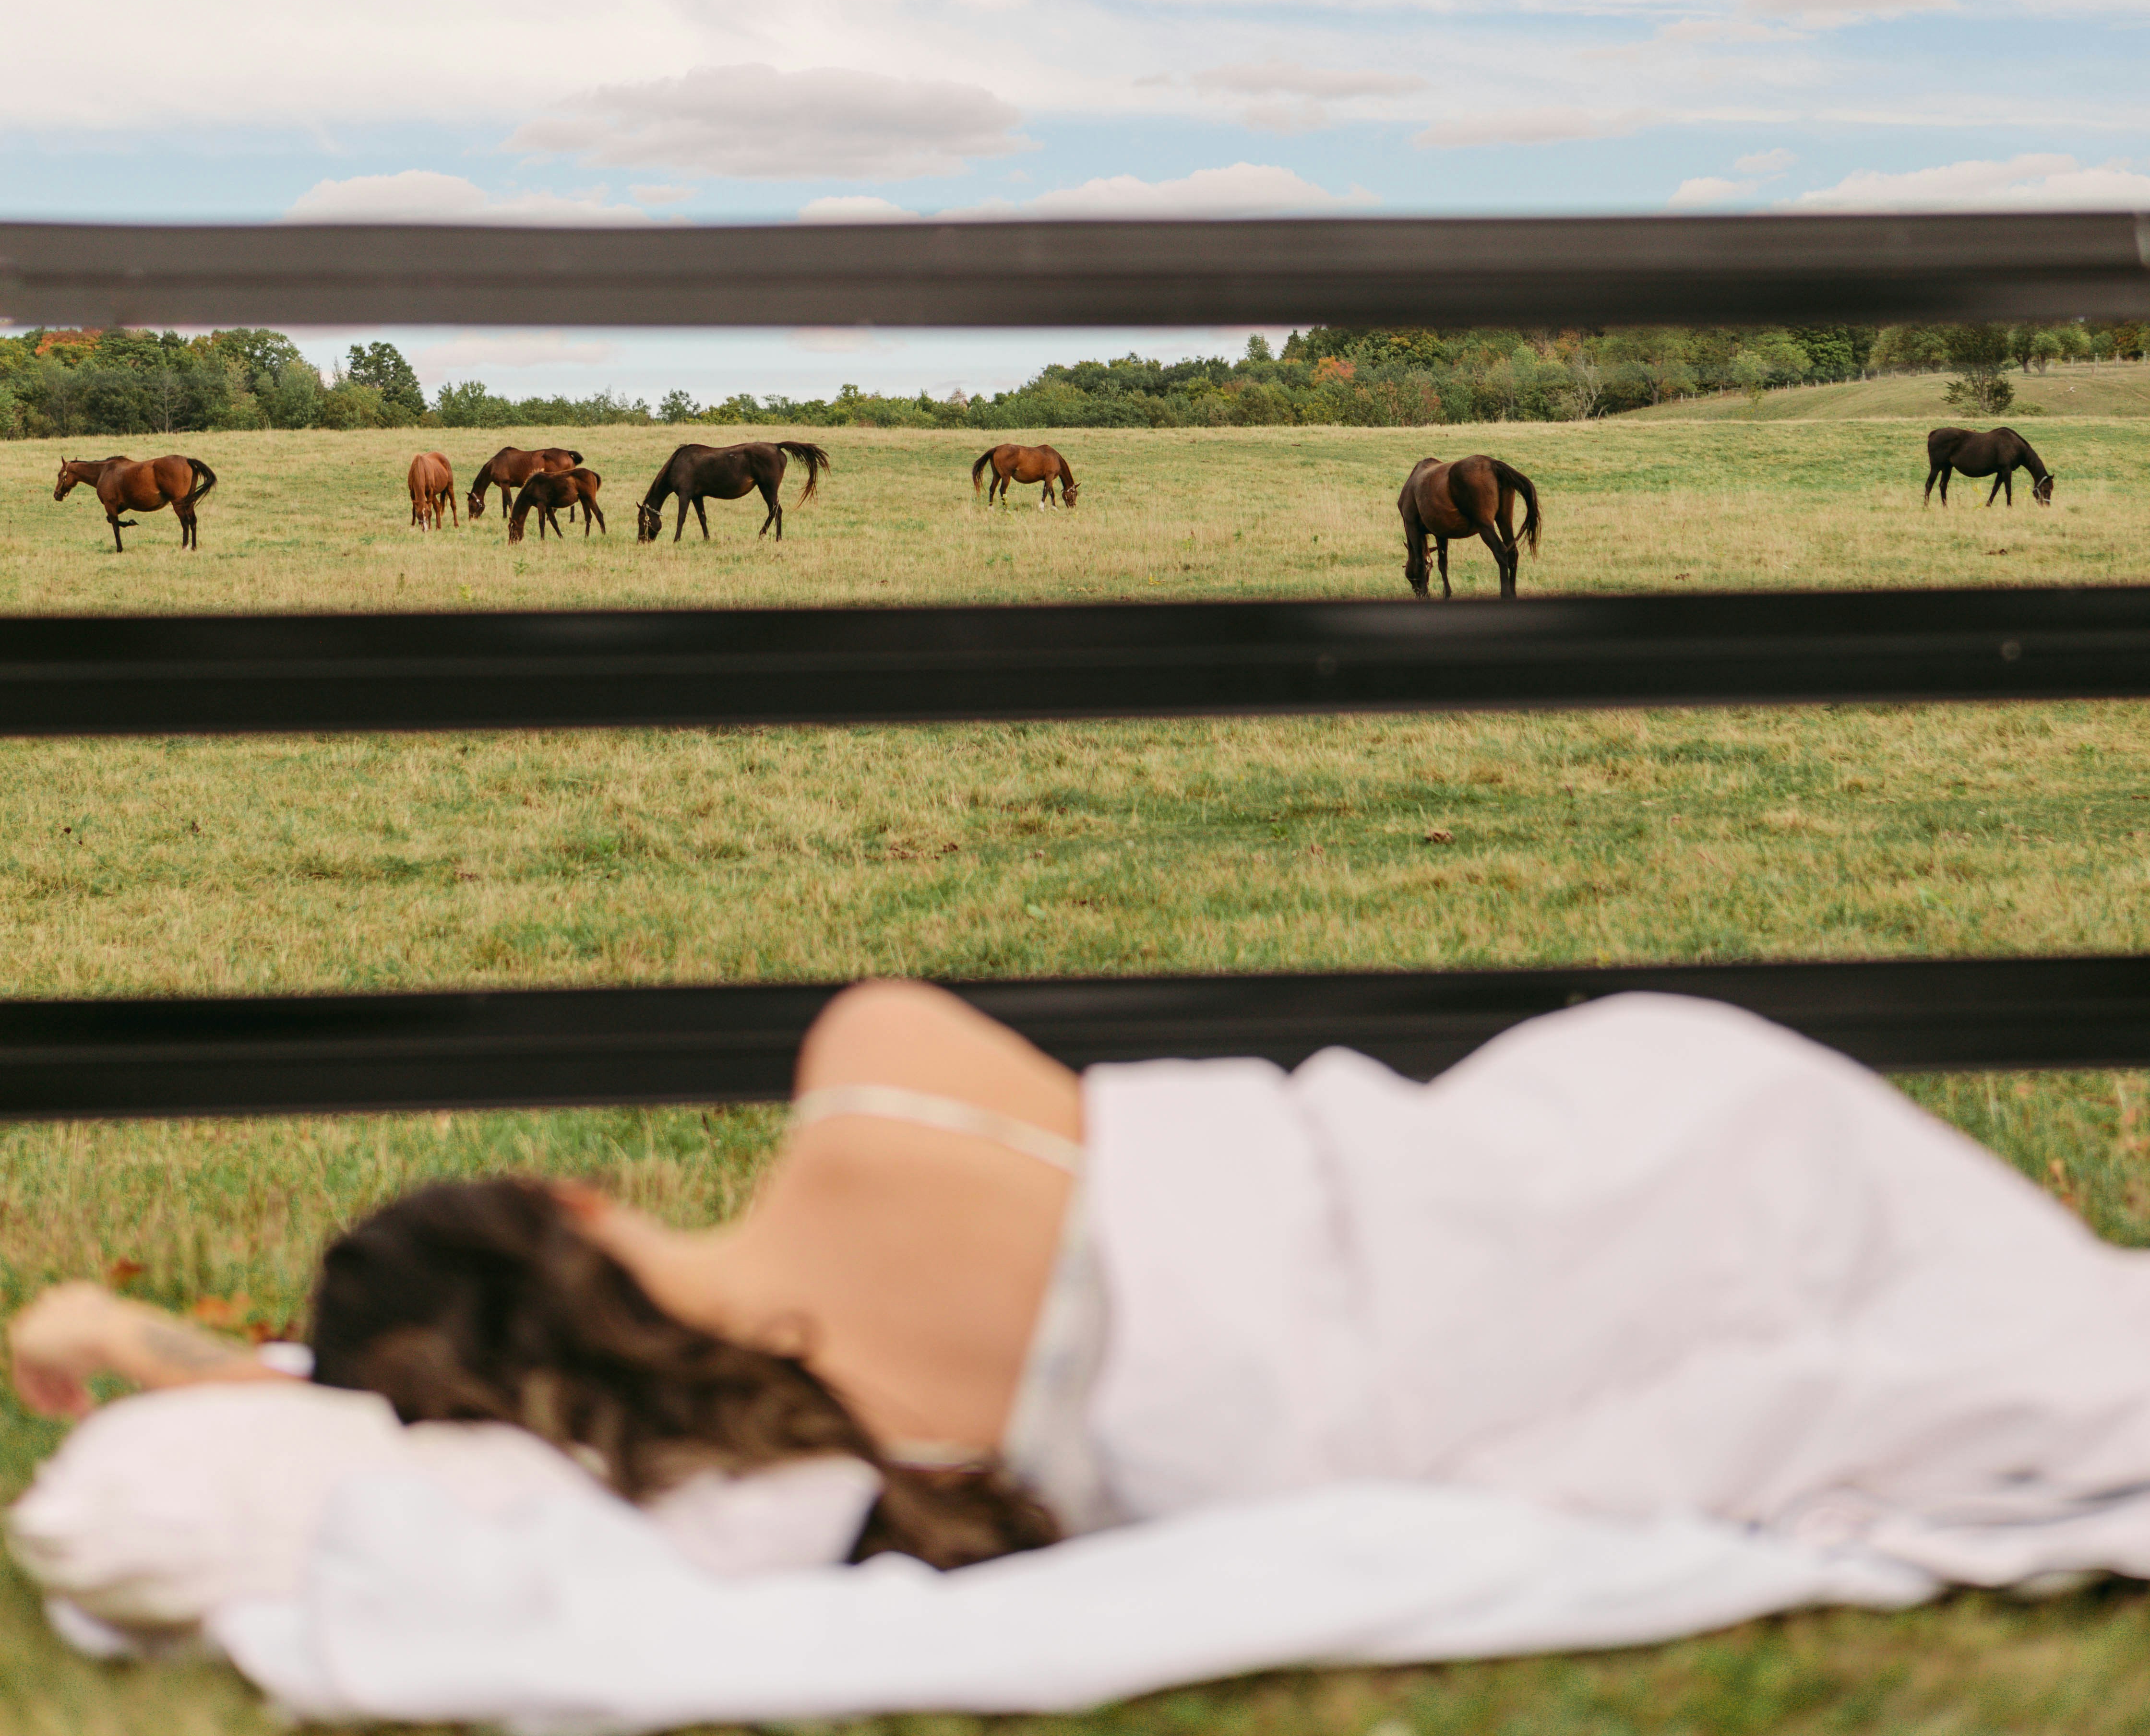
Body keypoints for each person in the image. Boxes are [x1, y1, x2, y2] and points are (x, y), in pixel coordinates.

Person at [20, 979, 2150, 1587]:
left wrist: (208, 1361)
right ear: (570, 1207)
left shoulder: (755, 1463)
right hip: (1616, 1167)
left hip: (1412, 1387)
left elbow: (415, 1408)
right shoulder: (873, 1078)